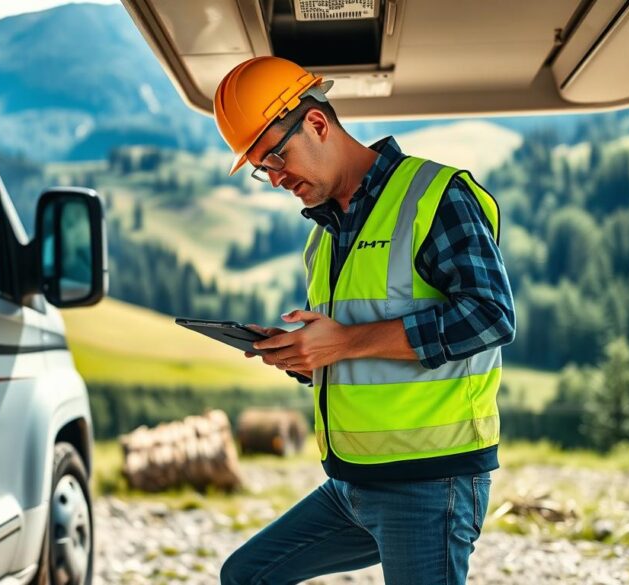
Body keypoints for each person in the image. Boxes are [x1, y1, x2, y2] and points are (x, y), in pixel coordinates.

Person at [213, 56, 516, 585]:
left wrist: (344, 343)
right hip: (351, 486)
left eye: (276, 157)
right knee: (247, 576)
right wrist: (305, 354)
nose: (276, 178)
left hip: (430, 481)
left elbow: (490, 316)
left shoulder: (435, 197)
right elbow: (356, 355)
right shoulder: (322, 238)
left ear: (317, 124)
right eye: (263, 168)